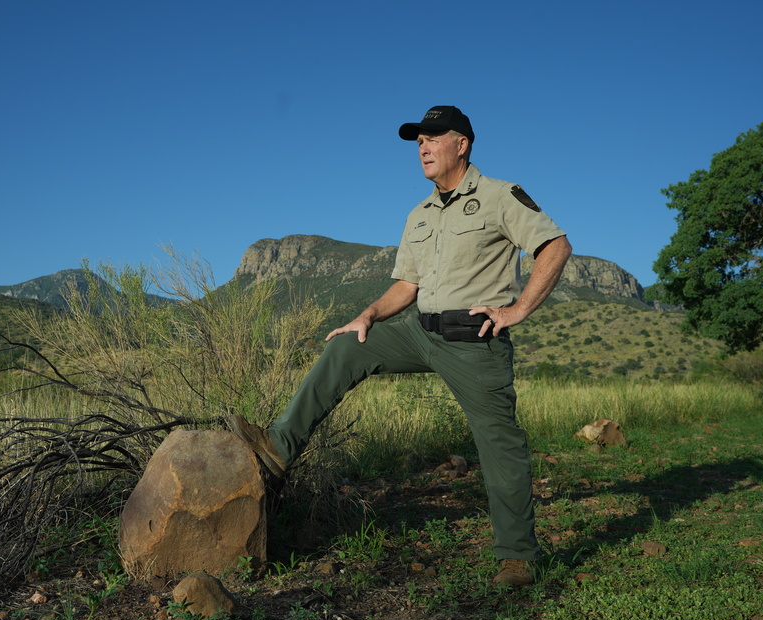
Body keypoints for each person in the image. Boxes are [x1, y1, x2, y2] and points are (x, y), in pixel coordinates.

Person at [228, 105, 572, 586]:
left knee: (500, 445)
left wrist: (517, 311)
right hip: (419, 330)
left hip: (473, 340)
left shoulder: (499, 196)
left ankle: (517, 556)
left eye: (433, 138)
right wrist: (367, 314)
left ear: (462, 144)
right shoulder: (420, 213)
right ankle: (279, 447)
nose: (424, 148)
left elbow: (555, 245)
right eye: (418, 142)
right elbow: (407, 285)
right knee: (346, 346)